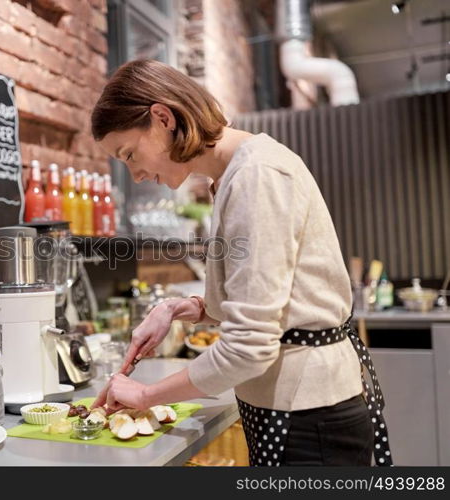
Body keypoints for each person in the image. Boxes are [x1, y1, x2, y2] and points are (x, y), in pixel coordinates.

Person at [89, 59, 391, 467]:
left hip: (308, 415)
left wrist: (144, 395)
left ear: (162, 118)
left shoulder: (257, 176)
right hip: (289, 406)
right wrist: (177, 310)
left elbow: (249, 347)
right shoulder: (233, 176)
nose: (136, 175)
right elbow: (260, 299)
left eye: (129, 154)